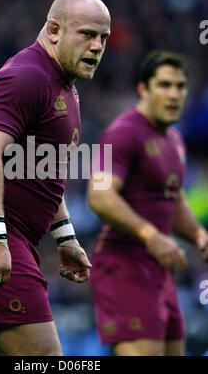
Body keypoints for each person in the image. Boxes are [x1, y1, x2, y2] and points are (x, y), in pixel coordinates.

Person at [0, 0, 111, 356]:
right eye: (88, 34)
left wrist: (65, 237)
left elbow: (42, 170)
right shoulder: (26, 76)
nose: (97, 47)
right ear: (54, 29)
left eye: (103, 38)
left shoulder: (65, 88)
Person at [87, 51, 208, 356]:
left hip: (160, 269)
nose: (174, 94)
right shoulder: (121, 134)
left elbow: (174, 199)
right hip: (124, 265)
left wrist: (198, 236)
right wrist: (151, 235)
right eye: (164, 85)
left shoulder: (175, 141)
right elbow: (100, 194)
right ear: (143, 89)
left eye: (181, 86)